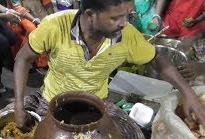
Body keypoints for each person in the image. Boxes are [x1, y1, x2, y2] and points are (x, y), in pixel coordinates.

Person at [13, 0, 205, 131]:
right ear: (90, 15)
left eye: (127, 16)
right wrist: (19, 106)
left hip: (97, 102)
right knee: (30, 136)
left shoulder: (127, 36)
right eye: (116, 18)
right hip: (52, 100)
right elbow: (22, 59)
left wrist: (190, 95)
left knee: (131, 138)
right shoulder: (54, 26)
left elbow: (158, 59)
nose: (124, 24)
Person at [6, 0, 48, 73]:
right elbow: (17, 7)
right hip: (19, 14)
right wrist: (34, 19)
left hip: (38, 10)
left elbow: (47, 4)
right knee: (31, 29)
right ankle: (41, 63)